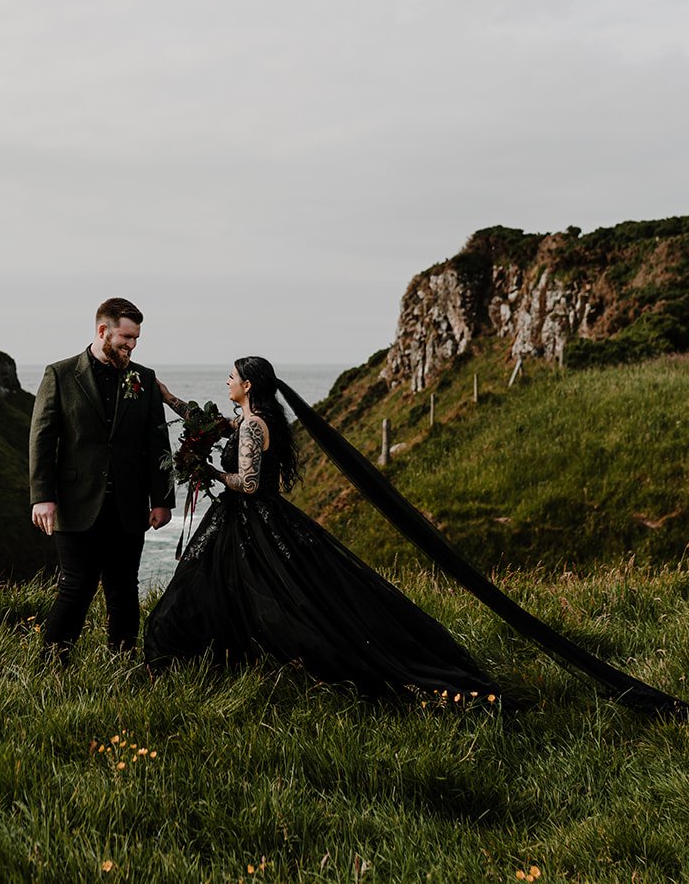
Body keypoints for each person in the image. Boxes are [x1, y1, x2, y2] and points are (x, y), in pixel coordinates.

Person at [144, 356, 501, 702]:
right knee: (249, 586)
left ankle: (205, 655)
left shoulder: (253, 426)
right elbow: (210, 423)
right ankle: (237, 655)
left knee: (221, 584)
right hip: (253, 518)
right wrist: (168, 396)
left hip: (250, 517)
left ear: (247, 385)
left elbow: (249, 483)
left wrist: (210, 472)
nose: (227, 382)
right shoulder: (257, 419)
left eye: (231, 376)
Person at [29, 297, 175, 659]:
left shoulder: (144, 378)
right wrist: (42, 495)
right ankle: (52, 663)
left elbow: (158, 440)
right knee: (75, 587)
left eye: (136, 338)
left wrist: (162, 500)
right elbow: (42, 437)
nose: (131, 345)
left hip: (128, 503)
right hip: (76, 501)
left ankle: (122, 662)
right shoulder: (60, 374)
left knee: (124, 588)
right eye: (126, 337)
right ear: (102, 331)